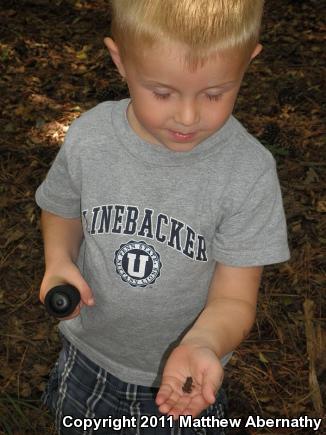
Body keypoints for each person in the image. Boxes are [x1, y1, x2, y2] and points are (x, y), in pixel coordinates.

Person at [35, 1, 290, 434]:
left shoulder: (247, 172)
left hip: (187, 379)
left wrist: (203, 343)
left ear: (248, 63)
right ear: (120, 61)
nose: (188, 117)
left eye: (215, 93)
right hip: (88, 355)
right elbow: (61, 207)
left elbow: (234, 298)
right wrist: (58, 259)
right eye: (162, 92)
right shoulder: (90, 138)